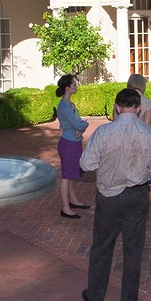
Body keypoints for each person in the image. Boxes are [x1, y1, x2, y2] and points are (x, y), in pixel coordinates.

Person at [80, 88, 151, 301]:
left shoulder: (104, 132)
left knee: (102, 248)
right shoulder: (150, 133)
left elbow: (86, 164)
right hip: (137, 196)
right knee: (133, 250)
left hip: (109, 197)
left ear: (117, 107)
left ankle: (95, 296)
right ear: (138, 108)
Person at [114, 74, 151, 230]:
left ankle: (121, 216)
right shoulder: (146, 102)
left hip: (122, 144)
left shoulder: (121, 99)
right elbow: (146, 127)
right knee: (149, 182)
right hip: (140, 147)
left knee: (121, 181)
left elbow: (115, 123)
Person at [55, 74, 90, 219]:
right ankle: (65, 208)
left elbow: (78, 122)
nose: (76, 86)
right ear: (67, 87)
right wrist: (84, 125)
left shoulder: (71, 104)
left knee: (70, 175)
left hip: (74, 143)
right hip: (68, 145)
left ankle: (73, 201)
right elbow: (78, 123)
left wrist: (81, 129)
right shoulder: (64, 106)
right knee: (66, 176)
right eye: (74, 84)